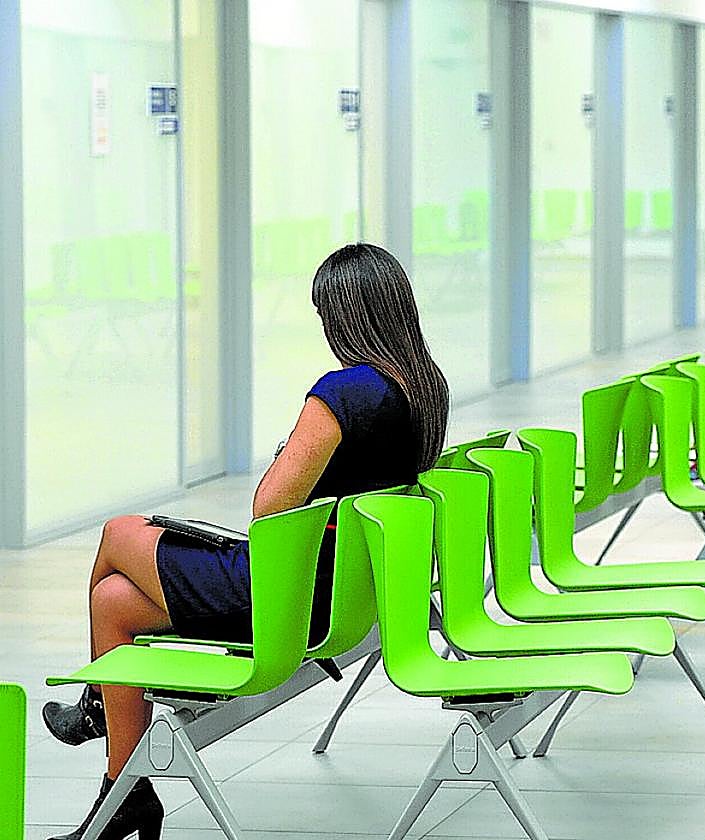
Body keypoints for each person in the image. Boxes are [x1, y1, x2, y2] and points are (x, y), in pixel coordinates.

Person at [40, 243, 450, 840]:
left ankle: (99, 706)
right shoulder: (420, 390)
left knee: (118, 533)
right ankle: (123, 791)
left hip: (281, 597)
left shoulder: (345, 391)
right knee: (113, 605)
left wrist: (288, 452)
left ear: (344, 316)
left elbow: (269, 505)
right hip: (336, 593)